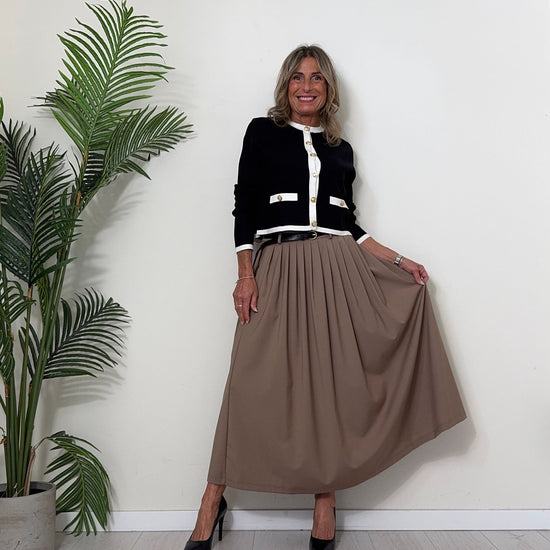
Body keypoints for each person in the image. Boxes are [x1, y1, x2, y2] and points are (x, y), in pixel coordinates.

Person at [184, 45, 466, 550]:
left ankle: (324, 507)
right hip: (277, 265)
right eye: (297, 77)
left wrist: (400, 260)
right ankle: (211, 500)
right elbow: (244, 204)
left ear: (328, 88)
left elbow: (348, 224)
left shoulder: (341, 149)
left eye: (316, 77)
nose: (306, 86)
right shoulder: (262, 132)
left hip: (337, 268)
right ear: (285, 86)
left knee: (331, 386)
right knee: (249, 382)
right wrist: (245, 274)